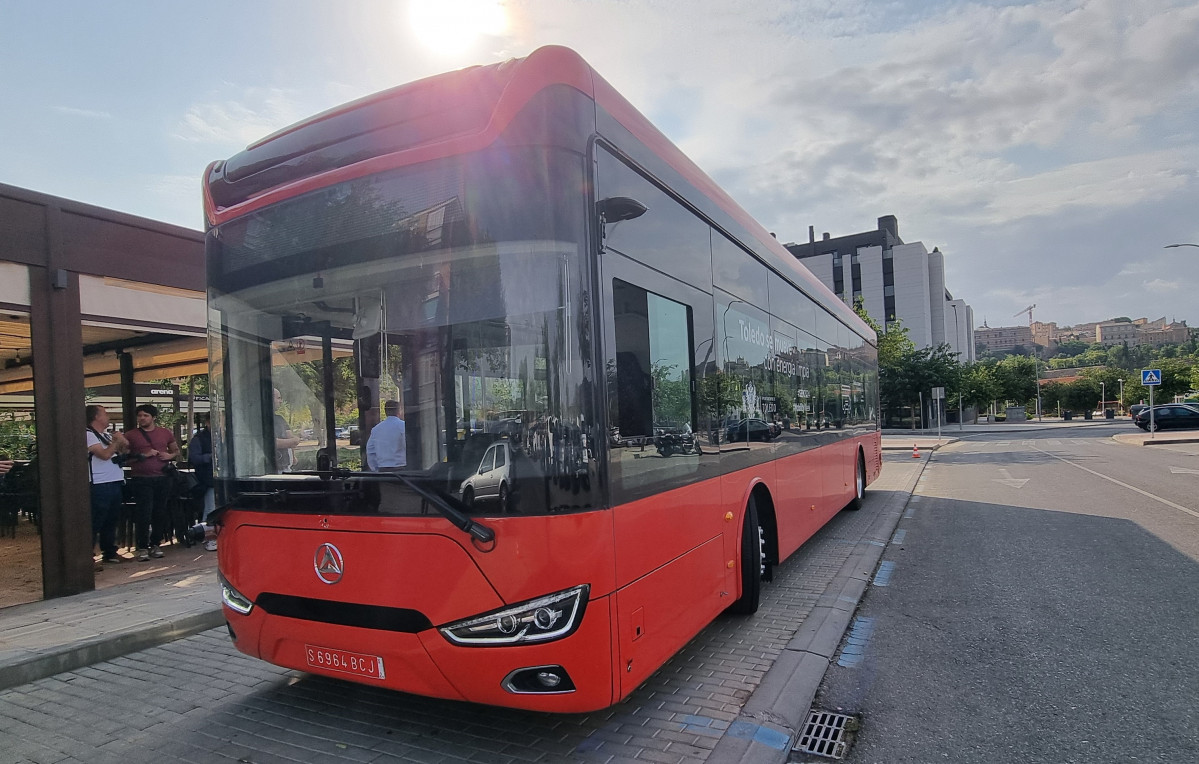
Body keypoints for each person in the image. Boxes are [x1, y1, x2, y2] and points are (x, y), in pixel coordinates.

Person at [127, 403, 180, 561]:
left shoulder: (165, 433)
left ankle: (156, 543)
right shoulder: (131, 435)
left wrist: (168, 456)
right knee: (144, 512)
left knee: (160, 511)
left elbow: (176, 450)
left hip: (162, 478)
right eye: (140, 415)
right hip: (141, 479)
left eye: (145, 415)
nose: (142, 418)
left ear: (153, 417)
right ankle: (142, 546)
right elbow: (124, 457)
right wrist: (144, 455)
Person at [87, 405, 129, 569]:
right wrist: (116, 442)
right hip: (98, 483)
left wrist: (122, 442)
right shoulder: (88, 435)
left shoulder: (105, 435)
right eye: (104, 413)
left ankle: (109, 552)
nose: (108, 416)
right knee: (96, 520)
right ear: (96, 417)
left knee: (111, 520)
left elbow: (123, 452)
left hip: (114, 481)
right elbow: (104, 455)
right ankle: (87, 555)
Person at [188, 413, 217, 551]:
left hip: (221, 479)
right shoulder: (198, 439)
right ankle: (208, 538)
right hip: (207, 480)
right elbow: (194, 458)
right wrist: (211, 457)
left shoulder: (226, 437)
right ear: (207, 422)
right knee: (210, 509)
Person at [366, 400, 407, 471]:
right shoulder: (403, 426)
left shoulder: (376, 429)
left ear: (385, 412)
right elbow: (407, 446)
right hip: (402, 470)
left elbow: (370, 451)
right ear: (399, 411)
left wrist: (375, 470)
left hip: (383, 470)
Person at [273, 388, 300, 472]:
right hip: (274, 470)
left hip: (286, 468)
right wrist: (293, 441)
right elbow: (272, 443)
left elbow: (290, 436)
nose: (281, 401)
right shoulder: (263, 421)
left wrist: (293, 455)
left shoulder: (280, 419)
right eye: (278, 398)